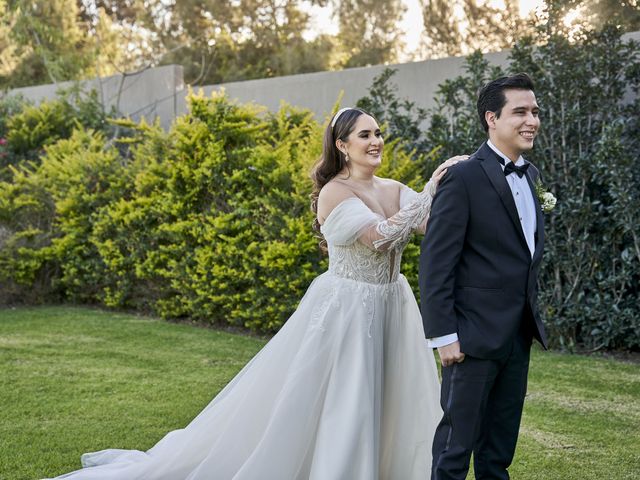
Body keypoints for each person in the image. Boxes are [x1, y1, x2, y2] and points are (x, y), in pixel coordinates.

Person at [45, 107, 465, 480]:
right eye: (365, 135)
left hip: (392, 303)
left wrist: (458, 189)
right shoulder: (336, 192)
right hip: (349, 309)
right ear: (342, 145)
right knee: (347, 399)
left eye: (378, 134)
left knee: (391, 399)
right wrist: (430, 188)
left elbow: (430, 224)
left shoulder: (391, 188)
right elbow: (379, 237)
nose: (376, 142)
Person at [419, 73, 549, 480]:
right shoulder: (463, 177)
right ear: (492, 118)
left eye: (535, 112)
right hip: (470, 338)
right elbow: (437, 264)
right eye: (520, 112)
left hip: (516, 335)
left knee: (499, 452)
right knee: (455, 450)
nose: (532, 120)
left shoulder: (530, 176)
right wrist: (444, 336)